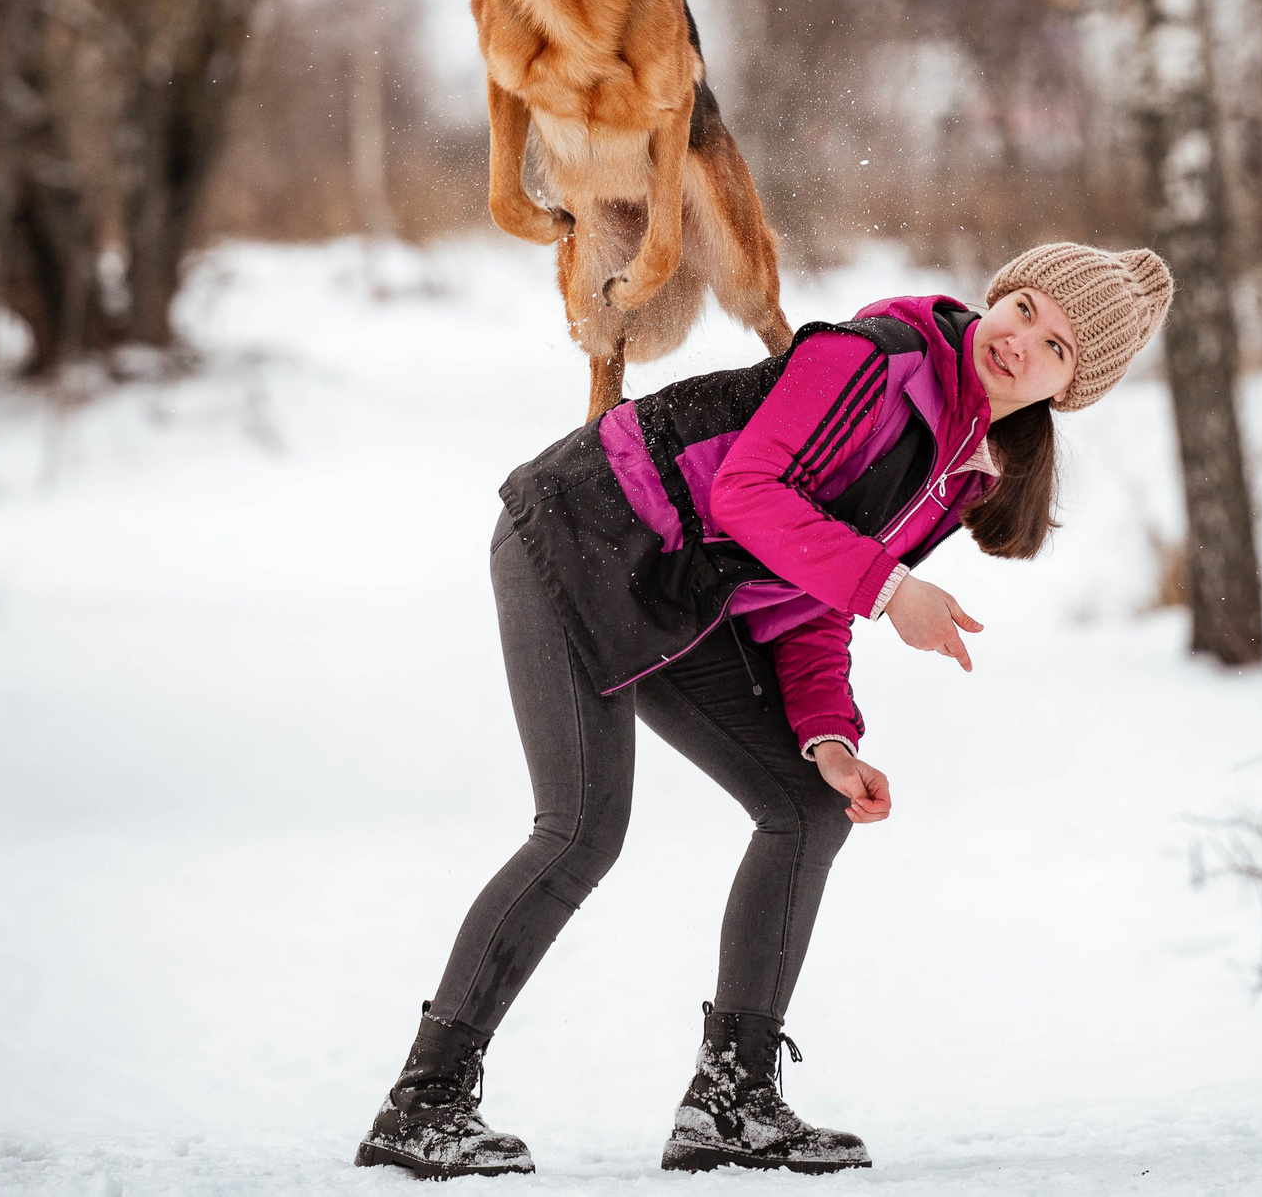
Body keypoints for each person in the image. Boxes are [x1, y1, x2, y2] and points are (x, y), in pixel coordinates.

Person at [355, 242, 1174, 1179]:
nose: (1023, 341)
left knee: (809, 805)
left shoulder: (960, 468)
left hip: (684, 588)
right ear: (999, 297)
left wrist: (828, 735)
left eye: (1058, 346)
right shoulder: (874, 358)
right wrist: (890, 586)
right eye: (1025, 308)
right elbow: (748, 495)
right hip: (586, 528)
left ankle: (731, 1100)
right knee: (581, 828)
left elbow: (812, 592)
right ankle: (424, 1101)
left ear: (1071, 391)